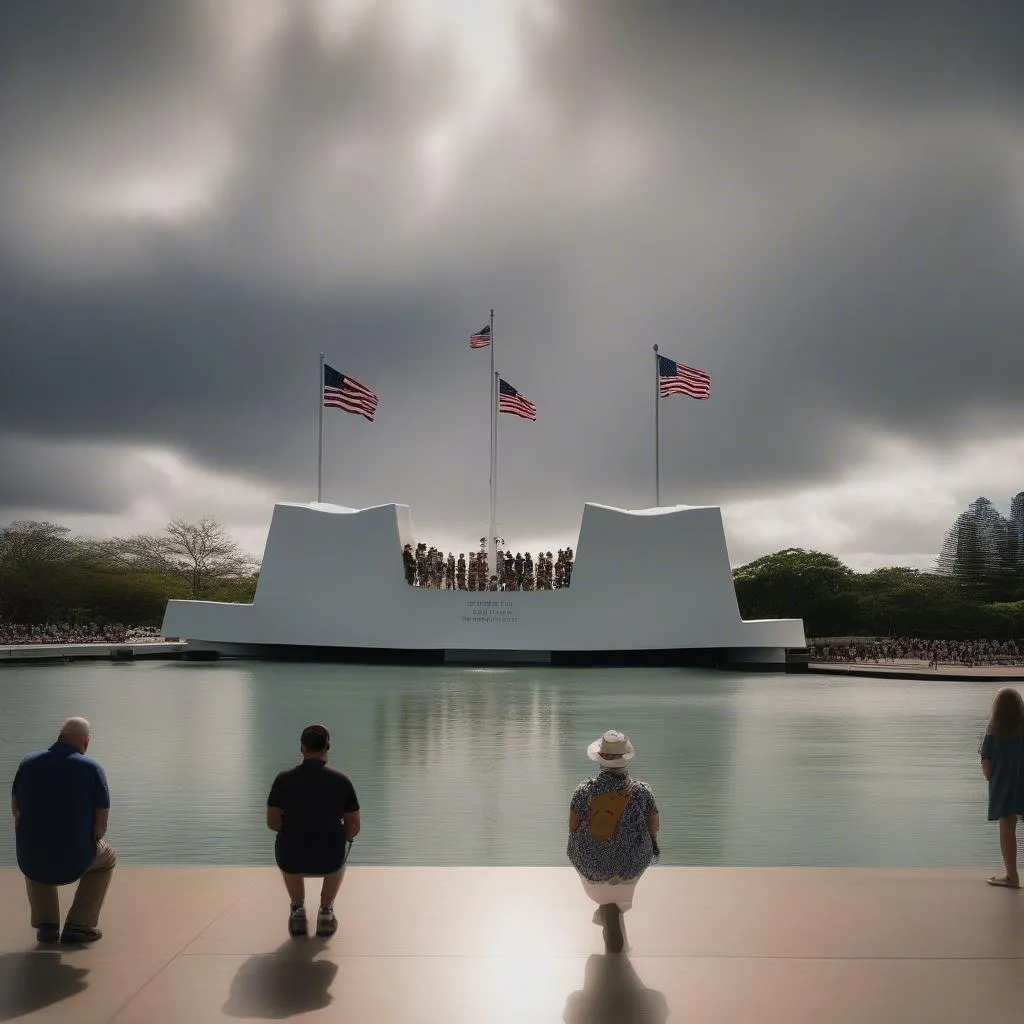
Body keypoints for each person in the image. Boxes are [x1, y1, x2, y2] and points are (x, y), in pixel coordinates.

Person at [11, 716, 115, 944]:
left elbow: (16, 809)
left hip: (31, 857)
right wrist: (90, 840)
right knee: (107, 859)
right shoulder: (92, 769)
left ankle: (47, 925)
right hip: (74, 858)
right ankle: (79, 925)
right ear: (85, 742)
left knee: (33, 844)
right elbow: (101, 823)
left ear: (60, 736)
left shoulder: (28, 762)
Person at [567, 730, 659, 953]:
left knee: (575, 845)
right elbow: (653, 825)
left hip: (592, 863)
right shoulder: (642, 792)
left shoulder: (583, 791)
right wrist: (650, 844)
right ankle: (612, 910)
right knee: (646, 847)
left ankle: (605, 909)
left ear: (600, 760)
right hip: (631, 864)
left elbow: (572, 827)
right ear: (625, 759)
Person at [267, 724, 361, 937]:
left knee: (286, 844)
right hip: (329, 859)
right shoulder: (341, 781)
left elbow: (272, 823)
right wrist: (342, 837)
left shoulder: (283, 780)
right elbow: (353, 826)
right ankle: (326, 911)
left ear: (302, 748)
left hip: (292, 857)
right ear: (327, 747)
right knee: (339, 853)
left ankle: (297, 910)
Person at [980, 688, 1024, 888]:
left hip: (1004, 786)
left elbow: (987, 767)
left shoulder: (992, 731)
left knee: (1007, 830)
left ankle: (1012, 876)